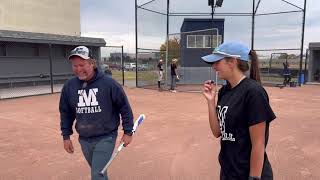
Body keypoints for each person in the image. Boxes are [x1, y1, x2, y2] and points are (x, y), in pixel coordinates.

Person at [201, 41, 276, 180]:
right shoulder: (224, 91)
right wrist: (211, 102)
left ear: (232, 62)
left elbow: (258, 145)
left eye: (217, 62)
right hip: (228, 172)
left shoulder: (254, 93)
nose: (214, 67)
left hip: (248, 174)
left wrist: (254, 178)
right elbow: (217, 132)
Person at [59, 46, 134, 180]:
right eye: (74, 65)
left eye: (82, 65)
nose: (78, 69)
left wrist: (128, 132)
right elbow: (66, 112)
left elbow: (124, 107)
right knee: (99, 172)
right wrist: (66, 136)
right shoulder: (69, 86)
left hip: (106, 137)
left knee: (97, 175)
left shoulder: (109, 84)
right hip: (84, 139)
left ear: (92, 63)